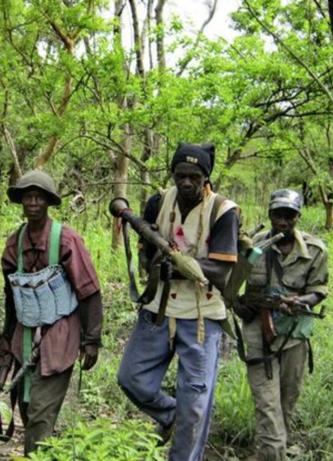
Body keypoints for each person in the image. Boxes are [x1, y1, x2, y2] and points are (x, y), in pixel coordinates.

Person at [116, 142, 239, 461]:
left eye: (194, 177)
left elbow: (223, 272)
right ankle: (171, 414)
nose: (186, 182)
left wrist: (182, 265)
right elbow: (145, 255)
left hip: (202, 316)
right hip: (158, 308)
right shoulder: (158, 202)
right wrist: (155, 259)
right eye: (180, 175)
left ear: (205, 177)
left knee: (195, 404)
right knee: (131, 378)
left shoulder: (224, 211)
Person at [0, 169, 103, 455]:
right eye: (27, 197)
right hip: (25, 333)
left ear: (47, 202)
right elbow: (11, 294)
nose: (32, 202)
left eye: (38, 197)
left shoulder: (66, 240)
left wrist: (92, 339)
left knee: (41, 413)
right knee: (26, 405)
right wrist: (5, 338)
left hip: (60, 333)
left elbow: (89, 290)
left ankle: (36, 455)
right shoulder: (14, 243)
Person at [234, 189, 328, 461]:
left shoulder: (315, 250)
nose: (283, 222)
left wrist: (302, 300)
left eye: (289, 216)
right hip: (257, 332)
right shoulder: (255, 247)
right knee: (267, 402)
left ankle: (269, 451)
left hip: (294, 334)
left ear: (298, 216)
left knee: (286, 400)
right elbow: (233, 284)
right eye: (278, 215)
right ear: (270, 215)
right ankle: (274, 453)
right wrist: (239, 303)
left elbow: (320, 289)